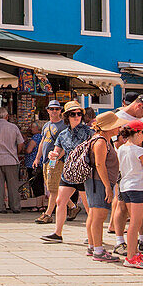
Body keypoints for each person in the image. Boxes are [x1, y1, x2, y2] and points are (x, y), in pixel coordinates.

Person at [40, 101, 92, 243]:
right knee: (60, 201)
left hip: (83, 172)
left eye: (79, 114)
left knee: (88, 206)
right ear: (68, 116)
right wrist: (53, 155)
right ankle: (58, 233)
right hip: (69, 172)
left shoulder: (88, 132)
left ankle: (92, 234)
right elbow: (57, 150)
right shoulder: (63, 134)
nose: (77, 116)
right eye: (73, 114)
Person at [116, 120, 143, 269]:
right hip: (137, 188)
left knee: (134, 221)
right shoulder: (139, 150)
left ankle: (134, 252)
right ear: (137, 133)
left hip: (125, 186)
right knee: (135, 223)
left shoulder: (122, 148)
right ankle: (130, 257)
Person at [84, 112, 122, 262]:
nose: (119, 128)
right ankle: (98, 251)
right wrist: (107, 186)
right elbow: (100, 165)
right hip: (98, 182)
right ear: (109, 127)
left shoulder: (100, 139)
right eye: (116, 125)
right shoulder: (100, 142)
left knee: (94, 215)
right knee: (99, 216)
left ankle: (93, 246)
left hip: (95, 181)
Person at [33, 100, 72, 224]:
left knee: (53, 188)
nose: (54, 111)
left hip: (56, 161)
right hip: (46, 160)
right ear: (48, 110)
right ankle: (73, 206)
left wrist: (58, 157)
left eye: (57, 109)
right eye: (52, 109)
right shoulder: (46, 125)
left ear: (60, 111)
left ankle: (48, 214)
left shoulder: (63, 126)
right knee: (52, 186)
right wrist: (38, 158)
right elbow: (42, 142)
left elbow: (66, 145)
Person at [22, 122, 44, 206]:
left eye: (32, 127)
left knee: (35, 185)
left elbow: (29, 150)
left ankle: (38, 205)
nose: (30, 129)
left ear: (37, 128)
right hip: (40, 164)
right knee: (40, 184)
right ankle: (42, 205)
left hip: (33, 164)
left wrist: (24, 148)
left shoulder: (36, 137)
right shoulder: (42, 136)